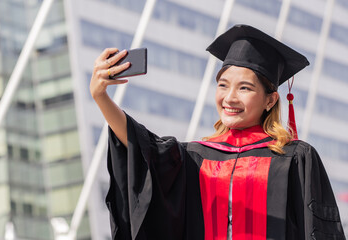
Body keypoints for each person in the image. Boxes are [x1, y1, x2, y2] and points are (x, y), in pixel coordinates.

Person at [90, 24, 346, 240]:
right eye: (223, 85)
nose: (230, 98)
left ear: (270, 100)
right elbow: (141, 146)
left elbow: (320, 231)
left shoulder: (295, 158)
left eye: (245, 88)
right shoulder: (195, 157)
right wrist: (100, 97)